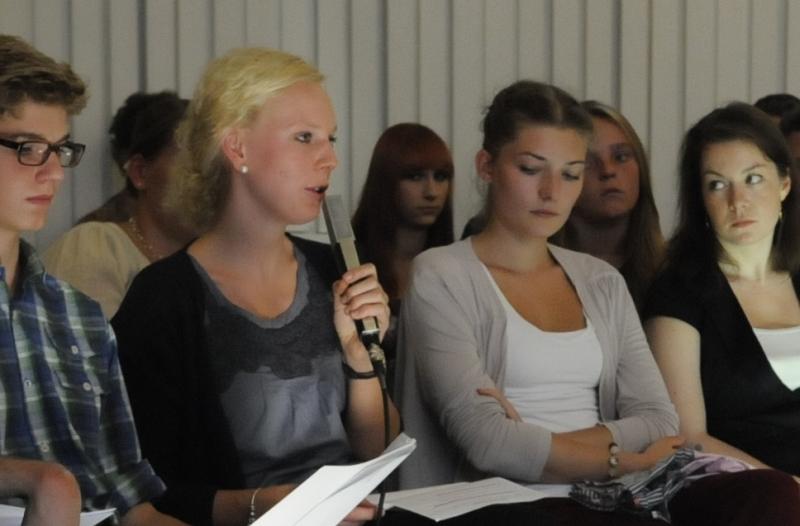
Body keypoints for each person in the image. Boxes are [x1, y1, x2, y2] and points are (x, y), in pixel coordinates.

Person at [395, 80, 800, 525]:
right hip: (501, 504)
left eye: (571, 174)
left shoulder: (601, 281)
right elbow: (488, 443)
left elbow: (659, 421)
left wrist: (529, 438)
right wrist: (619, 459)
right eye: (531, 169)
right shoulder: (441, 273)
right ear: (487, 166)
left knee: (772, 494)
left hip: (612, 499)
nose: (552, 191)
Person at [111, 46, 401, 526]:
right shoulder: (163, 299)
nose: (330, 159)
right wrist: (267, 505)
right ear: (237, 148)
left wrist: (360, 360)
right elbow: (154, 495)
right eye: (304, 137)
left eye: (330, 138)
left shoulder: (332, 269)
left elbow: (379, 451)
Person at [0, 34, 184, 526]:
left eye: (59, 150)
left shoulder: (79, 316)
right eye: (28, 148)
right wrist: (40, 481)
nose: (54, 174)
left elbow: (133, 508)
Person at [643, 102, 800, 477]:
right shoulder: (677, 293)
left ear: (784, 183)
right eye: (717, 184)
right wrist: (788, 487)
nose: (737, 201)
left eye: (753, 178)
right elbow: (688, 437)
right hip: (746, 490)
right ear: (701, 200)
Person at [44, 91, 192, 318]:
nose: (206, 180)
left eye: (215, 167)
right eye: (189, 165)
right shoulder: (94, 247)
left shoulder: (224, 260)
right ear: (140, 172)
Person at [351, 122, 454, 376]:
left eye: (441, 177)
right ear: (385, 181)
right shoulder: (351, 266)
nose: (431, 192)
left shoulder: (458, 267)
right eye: (415, 176)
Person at [553, 101, 664, 310]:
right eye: (588, 161)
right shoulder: (539, 270)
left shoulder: (673, 272)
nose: (608, 170)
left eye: (621, 157)